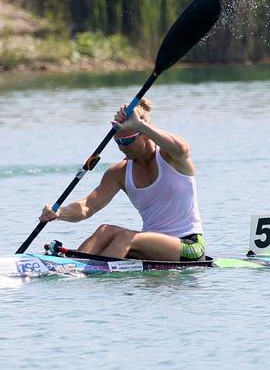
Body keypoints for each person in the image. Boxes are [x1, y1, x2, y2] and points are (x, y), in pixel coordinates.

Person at [38, 98, 206, 260]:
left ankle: (90, 271)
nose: (122, 147)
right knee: (105, 230)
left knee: (126, 237)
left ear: (145, 134)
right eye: (118, 142)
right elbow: (87, 206)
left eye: (128, 140)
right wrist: (59, 213)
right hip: (148, 244)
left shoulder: (170, 157)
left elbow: (183, 149)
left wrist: (141, 125)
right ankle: (73, 265)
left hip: (189, 246)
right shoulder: (119, 172)